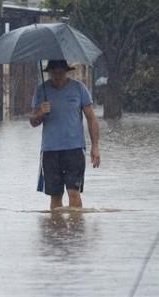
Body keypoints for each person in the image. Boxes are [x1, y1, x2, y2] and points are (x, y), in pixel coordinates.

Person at [30, 60, 101, 210]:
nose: (57, 76)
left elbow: (91, 118)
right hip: (50, 150)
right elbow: (33, 122)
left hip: (74, 149)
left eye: (60, 72)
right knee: (55, 195)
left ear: (66, 71)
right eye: (53, 73)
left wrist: (95, 147)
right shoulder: (41, 90)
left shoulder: (79, 88)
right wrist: (41, 112)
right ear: (49, 73)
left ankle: (75, 230)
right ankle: (57, 230)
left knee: (73, 192)